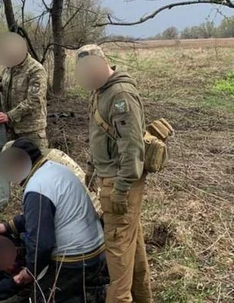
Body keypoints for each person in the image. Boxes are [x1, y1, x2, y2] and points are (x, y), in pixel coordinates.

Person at [76, 44, 152, 303]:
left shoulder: (120, 95)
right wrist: (90, 168)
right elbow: (98, 135)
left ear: (104, 62)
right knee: (131, 246)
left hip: (121, 183)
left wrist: (120, 189)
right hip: (110, 178)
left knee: (118, 262)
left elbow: (132, 148)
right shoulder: (99, 92)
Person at [0, 138, 108, 302]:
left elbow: (41, 243)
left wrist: (29, 273)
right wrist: (9, 226)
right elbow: (46, 214)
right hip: (98, 251)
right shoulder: (54, 169)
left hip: (75, 261)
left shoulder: (36, 188)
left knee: (40, 297)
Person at [3, 140, 103, 216]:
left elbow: (39, 223)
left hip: (87, 223)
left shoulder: (40, 178)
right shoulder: (51, 157)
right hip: (98, 210)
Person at [0, 32, 49, 149]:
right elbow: (11, 86)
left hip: (31, 130)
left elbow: (35, 100)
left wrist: (10, 115)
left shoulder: (36, 70)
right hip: (12, 129)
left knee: (37, 165)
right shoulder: (10, 67)